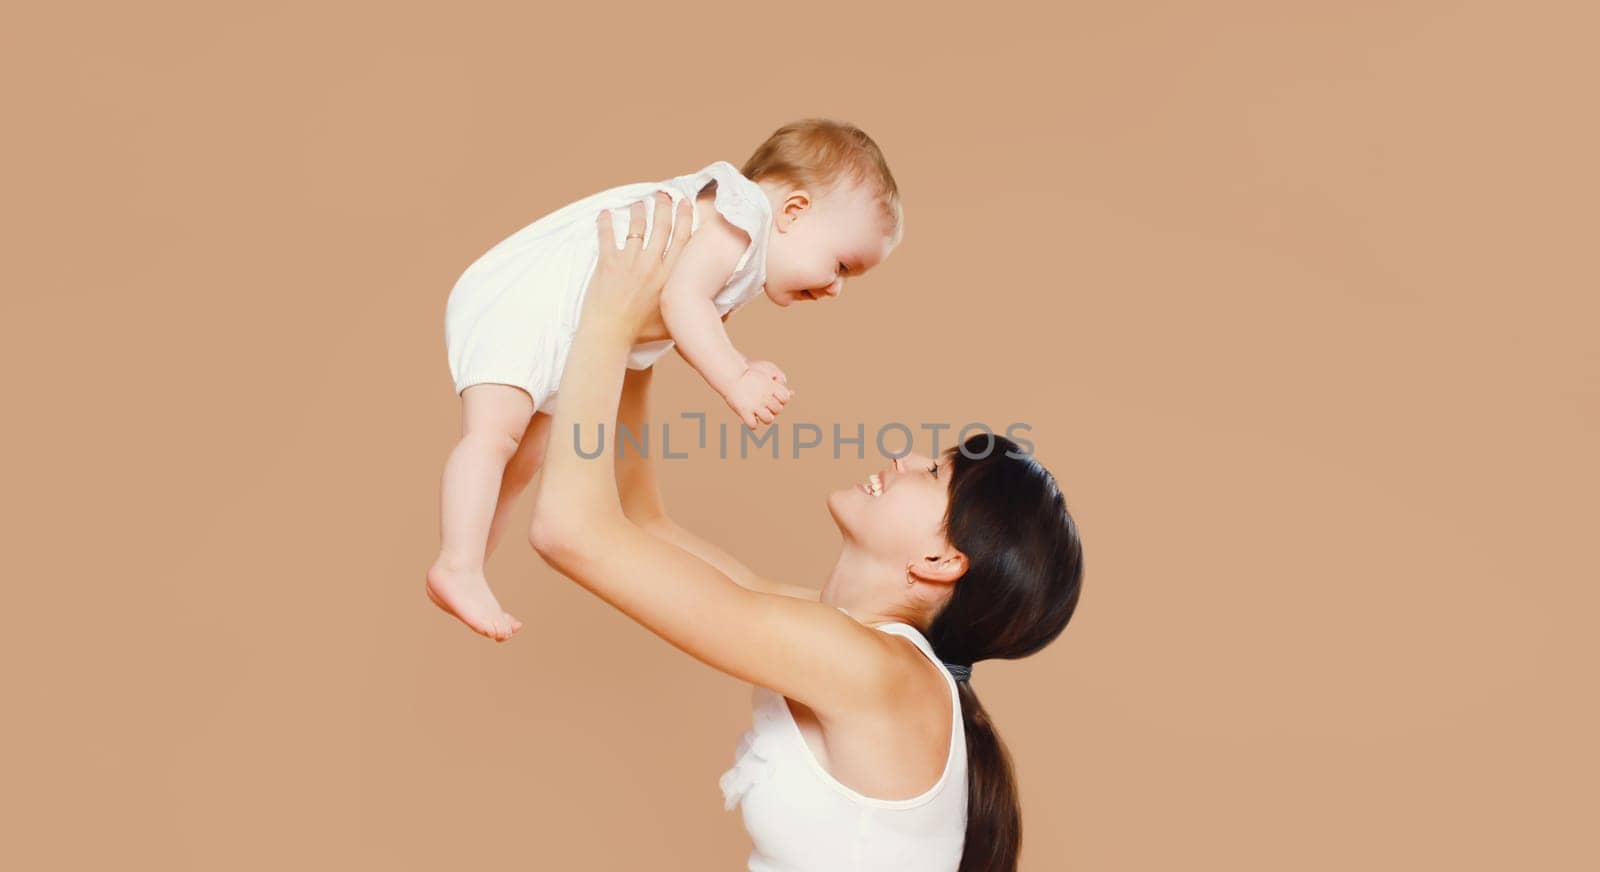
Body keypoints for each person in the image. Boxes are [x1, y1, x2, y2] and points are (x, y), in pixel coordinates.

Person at [528, 194, 1084, 871]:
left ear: (942, 558)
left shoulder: (873, 671)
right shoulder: (860, 653)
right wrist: (648, 345)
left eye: (933, 474)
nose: (906, 460)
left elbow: (569, 531)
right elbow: (645, 525)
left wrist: (608, 319)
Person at [428, 119, 903, 642]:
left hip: (575, 329)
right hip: (532, 303)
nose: (836, 289)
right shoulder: (738, 220)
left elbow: (687, 318)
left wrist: (736, 358)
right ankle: (458, 565)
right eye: (841, 266)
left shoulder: (746, 255)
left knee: (521, 462)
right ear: (792, 211)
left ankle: (471, 566)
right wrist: (736, 376)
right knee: (493, 436)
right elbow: (682, 302)